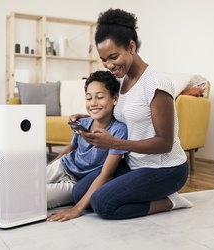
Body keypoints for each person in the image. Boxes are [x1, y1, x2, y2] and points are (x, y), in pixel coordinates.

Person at [64, 8, 193, 221]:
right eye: (104, 59)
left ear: (131, 46)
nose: (109, 65)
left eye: (114, 56)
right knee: (79, 192)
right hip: (134, 164)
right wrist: (85, 117)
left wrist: (115, 144)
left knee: (102, 204)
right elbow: (119, 116)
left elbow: (165, 143)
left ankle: (170, 201)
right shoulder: (121, 82)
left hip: (165, 169)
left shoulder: (156, 83)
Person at [46, 70, 128, 220]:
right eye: (89, 98)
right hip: (62, 166)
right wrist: (51, 165)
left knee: (37, 197)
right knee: (28, 181)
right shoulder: (82, 122)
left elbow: (107, 174)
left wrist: (76, 210)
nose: (93, 103)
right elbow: (71, 148)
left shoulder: (119, 130)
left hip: (76, 182)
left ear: (114, 98)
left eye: (100, 97)